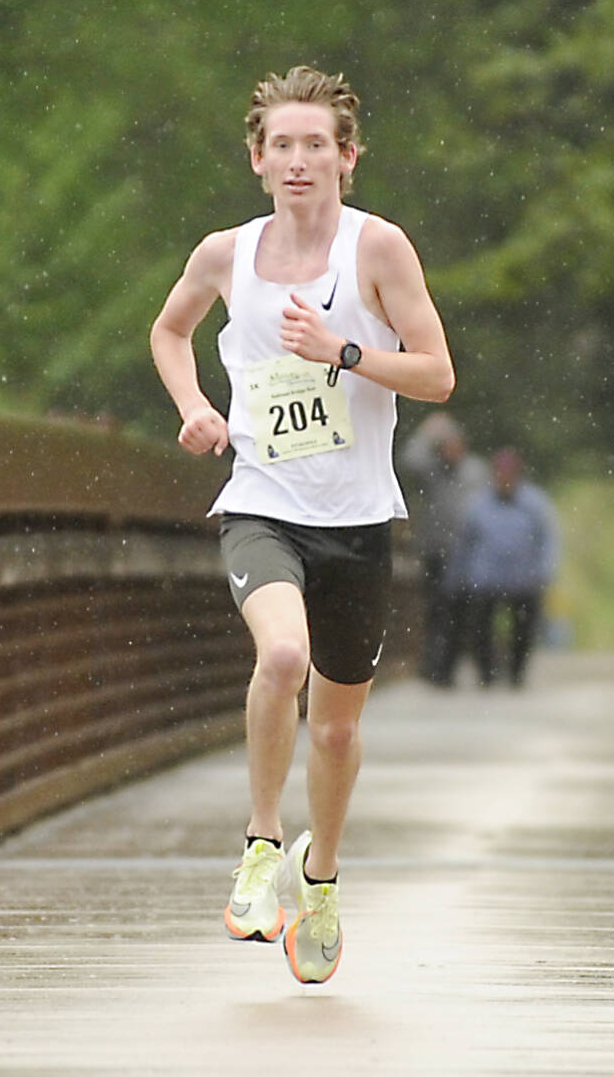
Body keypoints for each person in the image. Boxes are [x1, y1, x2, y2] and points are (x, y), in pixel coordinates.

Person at [149, 66, 454, 984]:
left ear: (346, 158)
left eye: (315, 144)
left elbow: (438, 375)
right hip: (260, 506)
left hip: (357, 520)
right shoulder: (224, 254)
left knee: (335, 728)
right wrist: (193, 406)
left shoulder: (379, 250)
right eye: (280, 145)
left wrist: (346, 351)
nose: (297, 161)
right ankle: (259, 843)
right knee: (280, 659)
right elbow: (169, 332)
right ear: (257, 158)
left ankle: (318, 878)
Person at [450, 448, 559, 688]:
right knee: (481, 630)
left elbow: (548, 541)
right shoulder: (477, 504)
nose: (505, 480)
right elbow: (464, 542)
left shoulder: (536, 504)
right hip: (485, 577)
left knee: (524, 630)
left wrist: (545, 571)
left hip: (525, 578)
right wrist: (460, 575)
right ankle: (486, 675)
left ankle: (517, 674)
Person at [398, 412, 489, 687]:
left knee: (470, 613)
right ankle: (439, 670)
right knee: (438, 612)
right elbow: (408, 459)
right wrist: (428, 432)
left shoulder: (476, 471)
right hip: (437, 552)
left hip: (469, 555)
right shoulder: (434, 470)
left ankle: (480, 670)